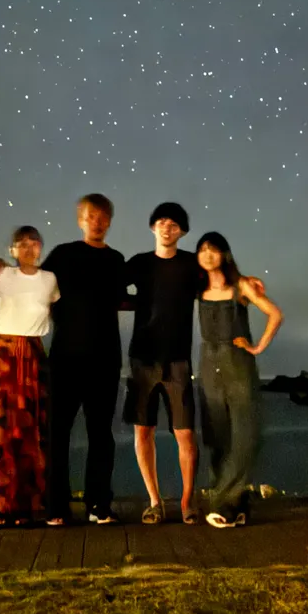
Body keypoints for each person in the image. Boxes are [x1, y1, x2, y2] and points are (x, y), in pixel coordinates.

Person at [40, 194, 129, 525]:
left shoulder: (117, 260)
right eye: (92, 216)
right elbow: (33, 285)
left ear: (110, 221)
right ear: (81, 220)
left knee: (101, 434)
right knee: (58, 433)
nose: (98, 221)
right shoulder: (63, 255)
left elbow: (128, 298)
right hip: (64, 358)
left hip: (105, 359)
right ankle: (56, 507)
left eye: (104, 216)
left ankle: (98, 504)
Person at [195, 230, 283, 529]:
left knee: (244, 436)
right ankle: (235, 504)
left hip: (238, 366)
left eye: (213, 249)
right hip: (208, 367)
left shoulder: (241, 287)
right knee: (216, 436)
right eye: (202, 249)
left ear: (224, 253)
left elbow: (275, 314)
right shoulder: (196, 288)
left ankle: (224, 503)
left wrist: (257, 347)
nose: (208, 254)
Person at [123, 203, 202, 524]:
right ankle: (155, 501)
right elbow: (109, 284)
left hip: (179, 361)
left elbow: (220, 278)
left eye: (174, 224)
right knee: (144, 431)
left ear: (182, 231)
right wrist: (133, 303)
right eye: (161, 222)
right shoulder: (140, 263)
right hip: (142, 358)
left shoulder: (190, 264)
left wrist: (246, 282)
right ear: (152, 227)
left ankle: (186, 501)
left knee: (185, 433)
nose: (167, 227)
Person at [0, 226, 59, 526]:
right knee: (0, 428)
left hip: (34, 353)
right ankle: (2, 504)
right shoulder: (2, 275)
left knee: (32, 429)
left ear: (41, 247)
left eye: (33, 243)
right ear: (12, 250)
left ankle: (29, 503)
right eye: (21, 244)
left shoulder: (50, 279)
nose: (28, 249)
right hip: (2, 354)